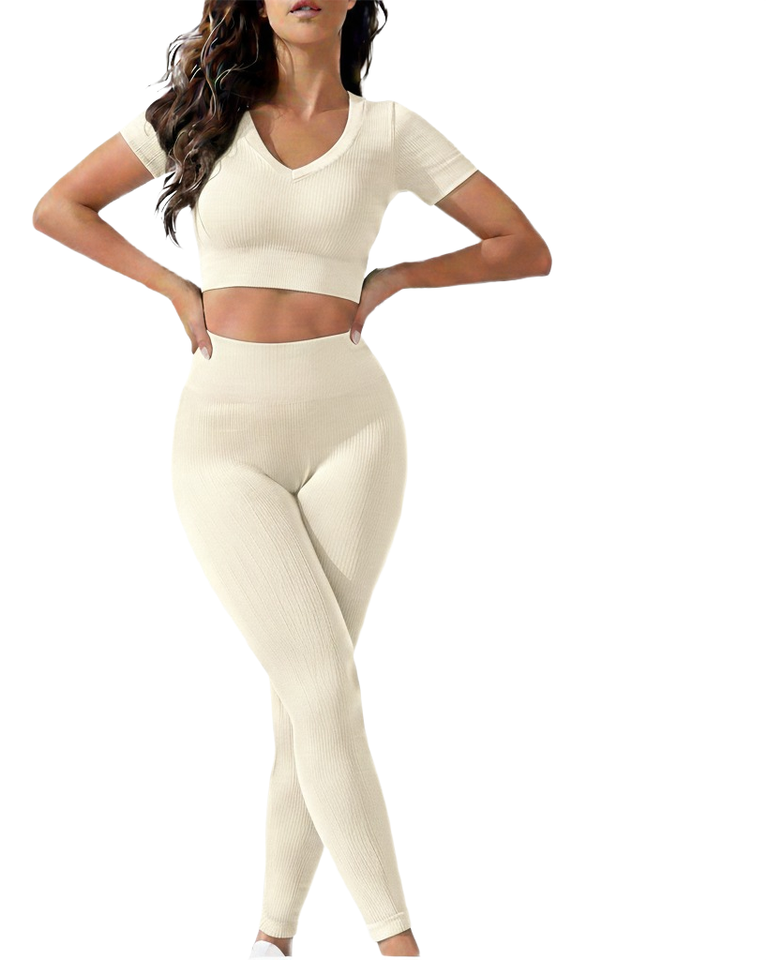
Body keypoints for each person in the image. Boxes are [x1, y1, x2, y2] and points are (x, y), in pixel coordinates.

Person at [32, 1, 551, 955]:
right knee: (320, 686)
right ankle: (400, 946)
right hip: (223, 439)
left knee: (311, 701)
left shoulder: (390, 132)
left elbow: (524, 247)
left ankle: (270, 942)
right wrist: (172, 288)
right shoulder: (200, 113)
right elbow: (59, 206)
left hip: (355, 431)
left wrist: (399, 278)